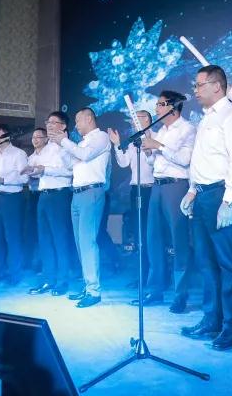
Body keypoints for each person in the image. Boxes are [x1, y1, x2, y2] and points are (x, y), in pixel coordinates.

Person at [180, 66, 232, 351]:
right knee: (206, 262)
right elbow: (203, 159)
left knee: (229, 263)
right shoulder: (207, 117)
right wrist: (192, 189)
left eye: (199, 85)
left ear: (217, 86)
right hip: (203, 195)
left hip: (223, 194)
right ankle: (211, 319)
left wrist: (229, 200)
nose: (195, 90)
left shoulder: (231, 115)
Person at [138, 91, 196, 312]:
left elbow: (184, 159)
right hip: (158, 185)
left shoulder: (188, 129)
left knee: (178, 240)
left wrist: (159, 146)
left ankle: (180, 294)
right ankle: (155, 289)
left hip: (176, 186)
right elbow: (154, 162)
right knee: (153, 238)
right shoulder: (162, 130)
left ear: (173, 107)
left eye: (160, 104)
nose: (156, 109)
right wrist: (149, 150)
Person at [54, 108, 111, 308]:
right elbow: (70, 164)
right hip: (77, 194)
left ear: (89, 118)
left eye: (78, 121)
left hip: (91, 192)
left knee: (88, 242)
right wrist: (61, 146)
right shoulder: (82, 142)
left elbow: (85, 156)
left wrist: (64, 141)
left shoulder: (101, 137)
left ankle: (94, 290)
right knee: (80, 243)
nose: (76, 126)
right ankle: (88, 285)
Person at [28, 112, 78, 297]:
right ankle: (48, 279)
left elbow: (70, 171)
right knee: (44, 239)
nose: (49, 125)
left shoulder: (67, 146)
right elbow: (40, 171)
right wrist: (32, 171)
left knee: (60, 239)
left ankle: (62, 281)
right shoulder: (46, 148)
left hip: (59, 195)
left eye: (53, 122)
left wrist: (46, 170)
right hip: (43, 195)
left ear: (63, 126)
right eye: (47, 122)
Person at [108, 110, 155, 276]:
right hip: (136, 189)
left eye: (137, 118)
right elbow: (123, 163)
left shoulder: (156, 137)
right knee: (138, 230)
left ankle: (154, 274)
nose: (133, 123)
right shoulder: (133, 141)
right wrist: (117, 144)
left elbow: (156, 162)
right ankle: (142, 273)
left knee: (150, 232)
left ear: (147, 119)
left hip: (151, 189)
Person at [0, 123, 29, 286]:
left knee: (12, 237)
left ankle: (15, 274)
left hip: (12, 199)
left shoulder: (19, 154)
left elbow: (24, 178)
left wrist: (3, 180)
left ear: (7, 136)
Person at [22, 128, 49, 272]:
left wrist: (33, 172)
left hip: (44, 194)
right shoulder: (30, 158)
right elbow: (25, 177)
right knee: (30, 228)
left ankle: (43, 263)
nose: (35, 139)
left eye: (39, 137)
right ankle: (31, 262)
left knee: (43, 229)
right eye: (33, 137)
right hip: (32, 195)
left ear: (46, 139)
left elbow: (43, 173)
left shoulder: (49, 155)